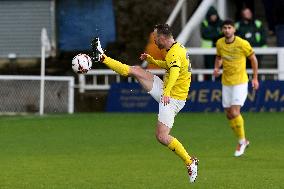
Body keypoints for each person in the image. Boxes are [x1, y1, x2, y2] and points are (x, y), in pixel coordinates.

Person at [93, 24, 199, 183]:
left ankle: (190, 162)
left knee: (162, 136)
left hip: (172, 98)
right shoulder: (175, 49)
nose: (154, 40)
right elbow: (170, 66)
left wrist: (168, 92)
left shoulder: (174, 53)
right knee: (135, 70)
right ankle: (101, 57)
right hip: (167, 90)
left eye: (156, 38)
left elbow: (175, 72)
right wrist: (152, 60)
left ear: (163, 37)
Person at [213, 19, 259, 157]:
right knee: (228, 114)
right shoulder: (220, 43)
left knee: (234, 111)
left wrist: (255, 78)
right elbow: (219, 57)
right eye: (225, 28)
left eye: (229, 27)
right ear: (222, 30)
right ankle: (243, 140)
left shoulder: (242, 43)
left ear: (234, 30)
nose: (227, 30)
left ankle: (242, 141)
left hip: (240, 81)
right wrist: (217, 67)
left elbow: (253, 59)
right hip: (226, 82)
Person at [200, 6, 223, 79]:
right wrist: (218, 33)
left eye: (214, 15)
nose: (213, 17)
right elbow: (205, 35)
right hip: (208, 50)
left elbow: (224, 34)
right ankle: (209, 82)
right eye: (212, 15)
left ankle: (219, 83)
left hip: (220, 49)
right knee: (209, 68)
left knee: (220, 67)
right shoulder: (204, 23)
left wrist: (213, 33)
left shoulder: (221, 23)